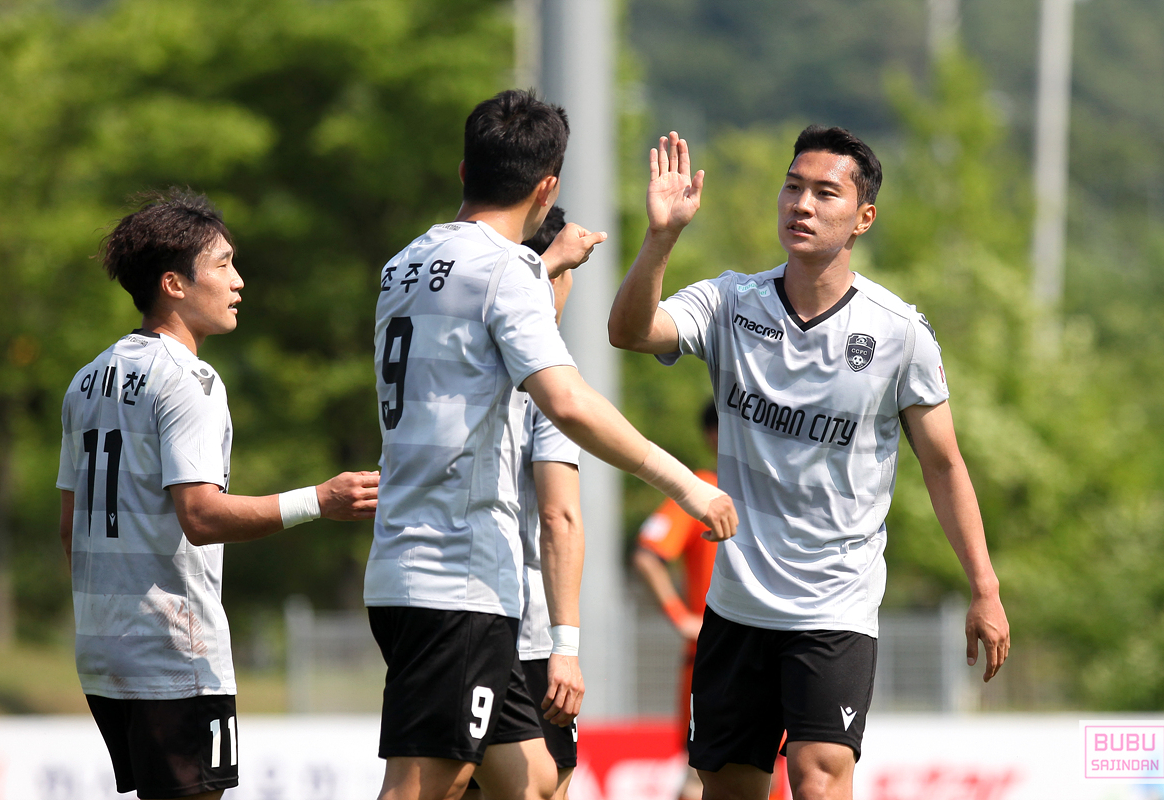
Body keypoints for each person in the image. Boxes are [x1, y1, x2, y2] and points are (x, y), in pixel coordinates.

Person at [607, 127, 1010, 800]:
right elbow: (628, 332)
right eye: (793, 187)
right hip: (737, 604)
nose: (802, 204)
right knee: (727, 788)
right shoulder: (730, 302)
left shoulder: (899, 333)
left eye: (825, 193)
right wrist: (661, 238)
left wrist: (985, 588)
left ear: (863, 217)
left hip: (835, 605)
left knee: (820, 778)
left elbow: (944, 465)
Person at [366, 89, 738, 800]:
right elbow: (566, 400)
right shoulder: (505, 270)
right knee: (423, 785)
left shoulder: (403, 265)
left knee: (534, 782)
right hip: (454, 575)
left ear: (464, 170)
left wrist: (543, 268)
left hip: (414, 564)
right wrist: (685, 483)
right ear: (547, 188)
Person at [56, 190, 379, 800]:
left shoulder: (87, 379)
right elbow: (201, 516)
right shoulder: (188, 379)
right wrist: (321, 499)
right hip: (172, 655)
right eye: (224, 264)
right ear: (174, 284)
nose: (238, 281)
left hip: (102, 651)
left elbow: (71, 528)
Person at [464, 208, 584, 800]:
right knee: (544, 785)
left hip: (448, 608)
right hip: (525, 628)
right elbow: (559, 518)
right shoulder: (551, 378)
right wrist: (566, 648)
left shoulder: (460, 359)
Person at [632, 401, 718, 800]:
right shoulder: (703, 490)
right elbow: (647, 556)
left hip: (770, 651)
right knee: (702, 774)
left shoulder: (773, 492)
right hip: (713, 658)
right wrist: (680, 616)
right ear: (714, 435)